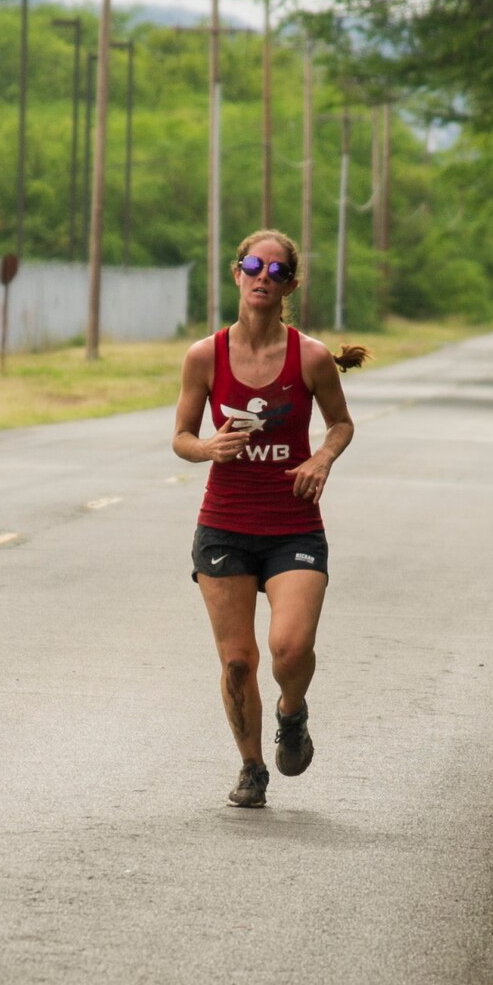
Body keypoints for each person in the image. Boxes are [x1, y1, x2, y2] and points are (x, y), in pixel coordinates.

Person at [172, 228, 369, 808]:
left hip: (292, 526)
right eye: (254, 266)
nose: (263, 277)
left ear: (290, 284)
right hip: (225, 525)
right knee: (237, 661)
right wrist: (208, 448)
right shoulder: (205, 355)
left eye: (276, 271)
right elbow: (181, 437)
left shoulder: (308, 357)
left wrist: (321, 459)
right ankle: (252, 767)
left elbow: (341, 424)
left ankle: (292, 712)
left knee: (289, 648)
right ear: (237, 273)